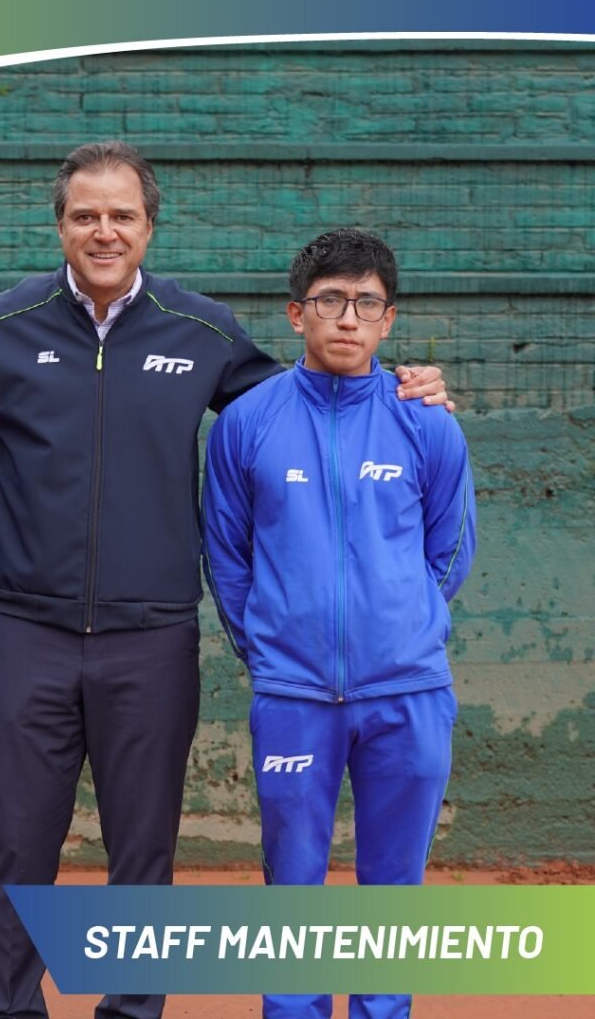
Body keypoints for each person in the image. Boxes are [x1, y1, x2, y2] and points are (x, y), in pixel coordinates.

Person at [0, 144, 450, 1019]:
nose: (104, 231)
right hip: (31, 635)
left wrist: (407, 385)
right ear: (62, 227)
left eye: (122, 215)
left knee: (143, 852)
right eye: (86, 215)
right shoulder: (5, 325)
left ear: (149, 227)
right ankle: (12, 1010)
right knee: (21, 844)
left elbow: (312, 398)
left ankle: (131, 1011)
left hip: (153, 639)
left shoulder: (201, 331)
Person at [202, 228, 476, 1019]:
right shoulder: (246, 424)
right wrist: (276, 653)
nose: (348, 318)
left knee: (392, 892)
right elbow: (227, 558)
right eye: (330, 301)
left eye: (366, 303)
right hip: (293, 699)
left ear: (389, 319)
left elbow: (449, 550)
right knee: (294, 891)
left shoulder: (427, 423)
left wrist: (405, 627)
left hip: (409, 695)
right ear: (297, 314)